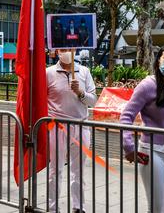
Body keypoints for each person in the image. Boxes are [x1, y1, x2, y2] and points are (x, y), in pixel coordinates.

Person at [120, 44, 164, 213]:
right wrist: (128, 147)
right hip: (151, 151)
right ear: (158, 60)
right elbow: (126, 116)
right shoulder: (147, 85)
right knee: (157, 206)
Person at [46, 48, 97, 213]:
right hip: (57, 128)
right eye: (62, 48)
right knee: (55, 170)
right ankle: (52, 208)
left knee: (79, 170)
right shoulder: (48, 73)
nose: (66, 51)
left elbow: (93, 100)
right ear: (57, 51)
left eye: (69, 48)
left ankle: (78, 206)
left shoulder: (84, 71)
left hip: (81, 126)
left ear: (75, 49)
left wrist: (80, 92)